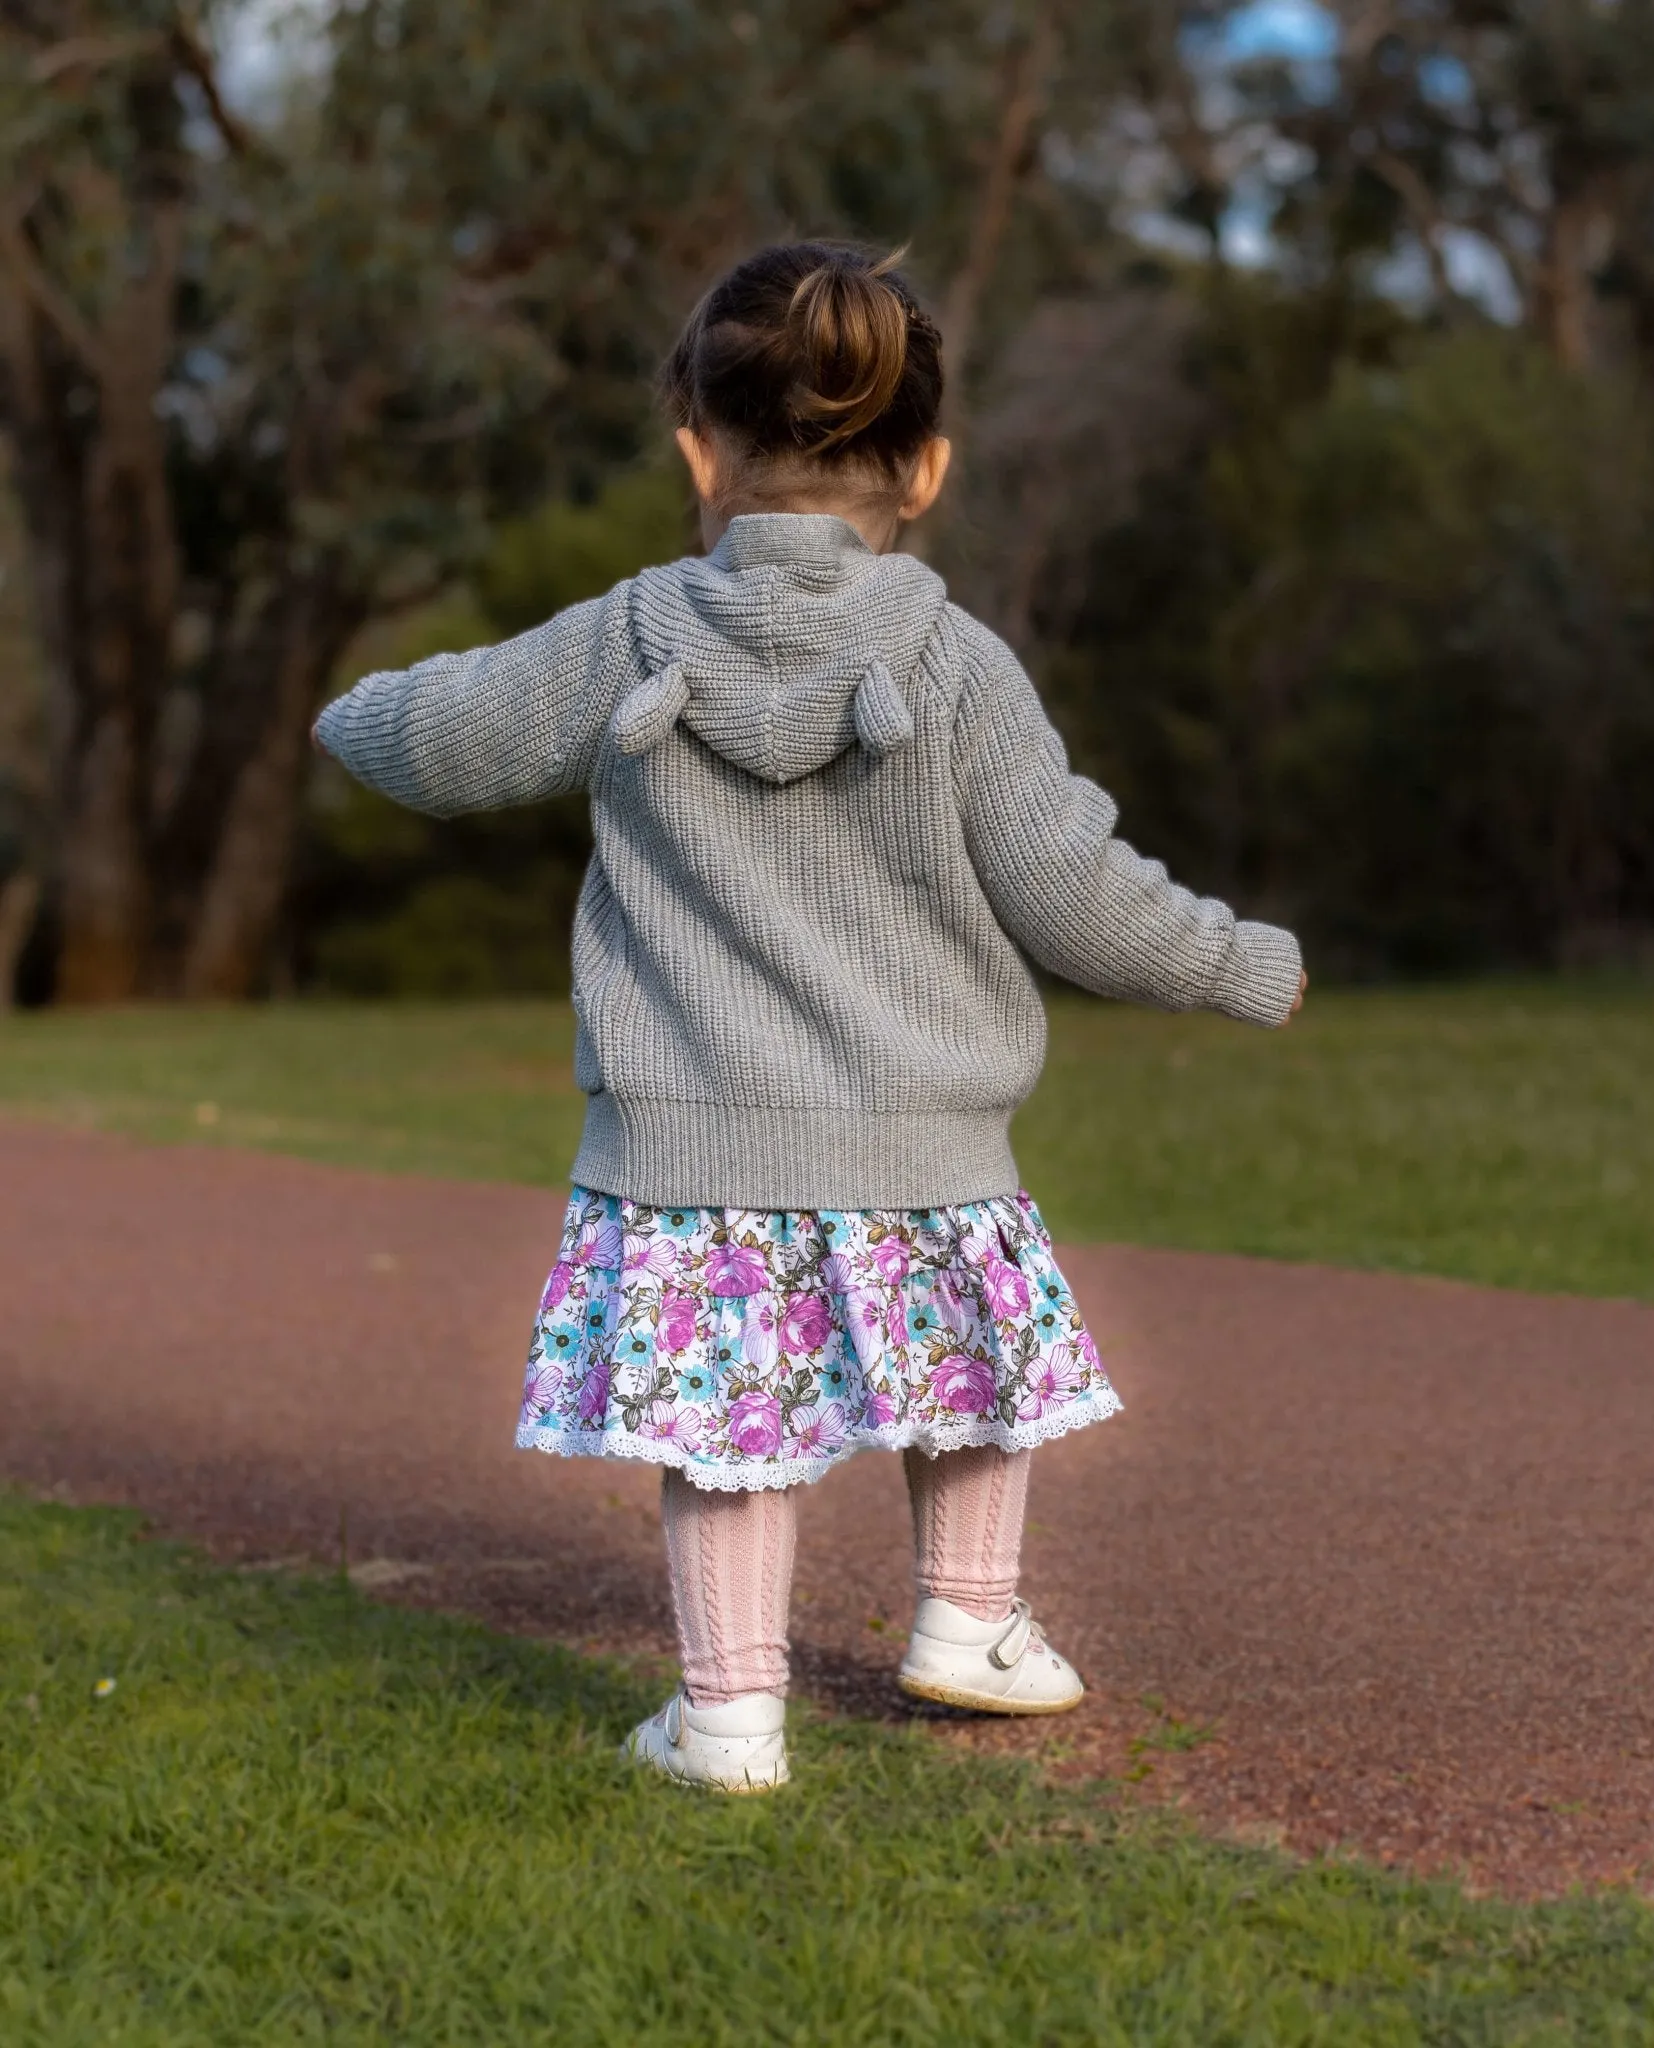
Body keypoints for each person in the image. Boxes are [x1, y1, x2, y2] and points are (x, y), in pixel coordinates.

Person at [313, 241, 1305, 1793]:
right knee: (972, 1369)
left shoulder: (627, 637)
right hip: (927, 1129)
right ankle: (969, 1624)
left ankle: (725, 1717)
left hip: (695, 1139)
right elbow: (1073, 886)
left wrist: (351, 714)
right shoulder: (959, 663)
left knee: (726, 1436)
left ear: (698, 449)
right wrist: (1239, 961)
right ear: (927, 467)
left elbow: (428, 740)